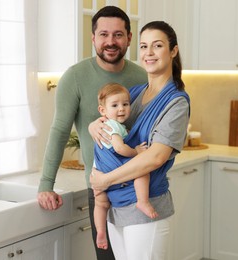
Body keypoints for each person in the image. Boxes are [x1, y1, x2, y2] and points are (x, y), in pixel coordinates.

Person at [37, 6, 147, 260]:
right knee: (107, 257)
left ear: (129, 38)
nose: (110, 42)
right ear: (93, 38)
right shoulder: (74, 77)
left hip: (140, 185)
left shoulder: (141, 76)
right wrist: (46, 184)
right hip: (101, 186)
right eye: (104, 34)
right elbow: (59, 132)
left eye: (118, 35)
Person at [89, 21, 190, 260]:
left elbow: (155, 157)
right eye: (144, 46)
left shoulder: (176, 102)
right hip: (117, 206)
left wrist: (105, 180)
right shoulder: (132, 94)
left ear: (173, 51)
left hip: (146, 208)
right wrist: (93, 124)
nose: (149, 53)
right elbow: (108, 119)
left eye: (157, 46)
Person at [94, 82, 157, 250]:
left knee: (100, 203)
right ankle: (142, 201)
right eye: (115, 105)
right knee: (142, 170)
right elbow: (119, 148)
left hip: (98, 171)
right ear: (103, 111)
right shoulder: (113, 125)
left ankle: (100, 231)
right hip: (110, 169)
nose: (121, 109)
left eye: (125, 104)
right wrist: (137, 152)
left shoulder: (108, 125)